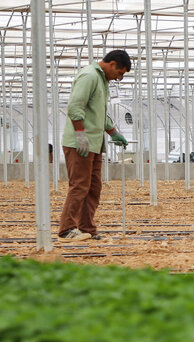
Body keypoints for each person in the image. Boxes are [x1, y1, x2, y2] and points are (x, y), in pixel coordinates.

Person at [57, 50, 131, 242]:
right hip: (80, 143)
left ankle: (86, 227)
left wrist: (112, 131)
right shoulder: (89, 76)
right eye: (120, 73)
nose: (118, 78)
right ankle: (66, 229)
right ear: (113, 64)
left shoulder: (102, 81)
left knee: (93, 188)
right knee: (79, 186)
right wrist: (80, 134)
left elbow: (99, 112)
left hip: (95, 144)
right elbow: (75, 107)